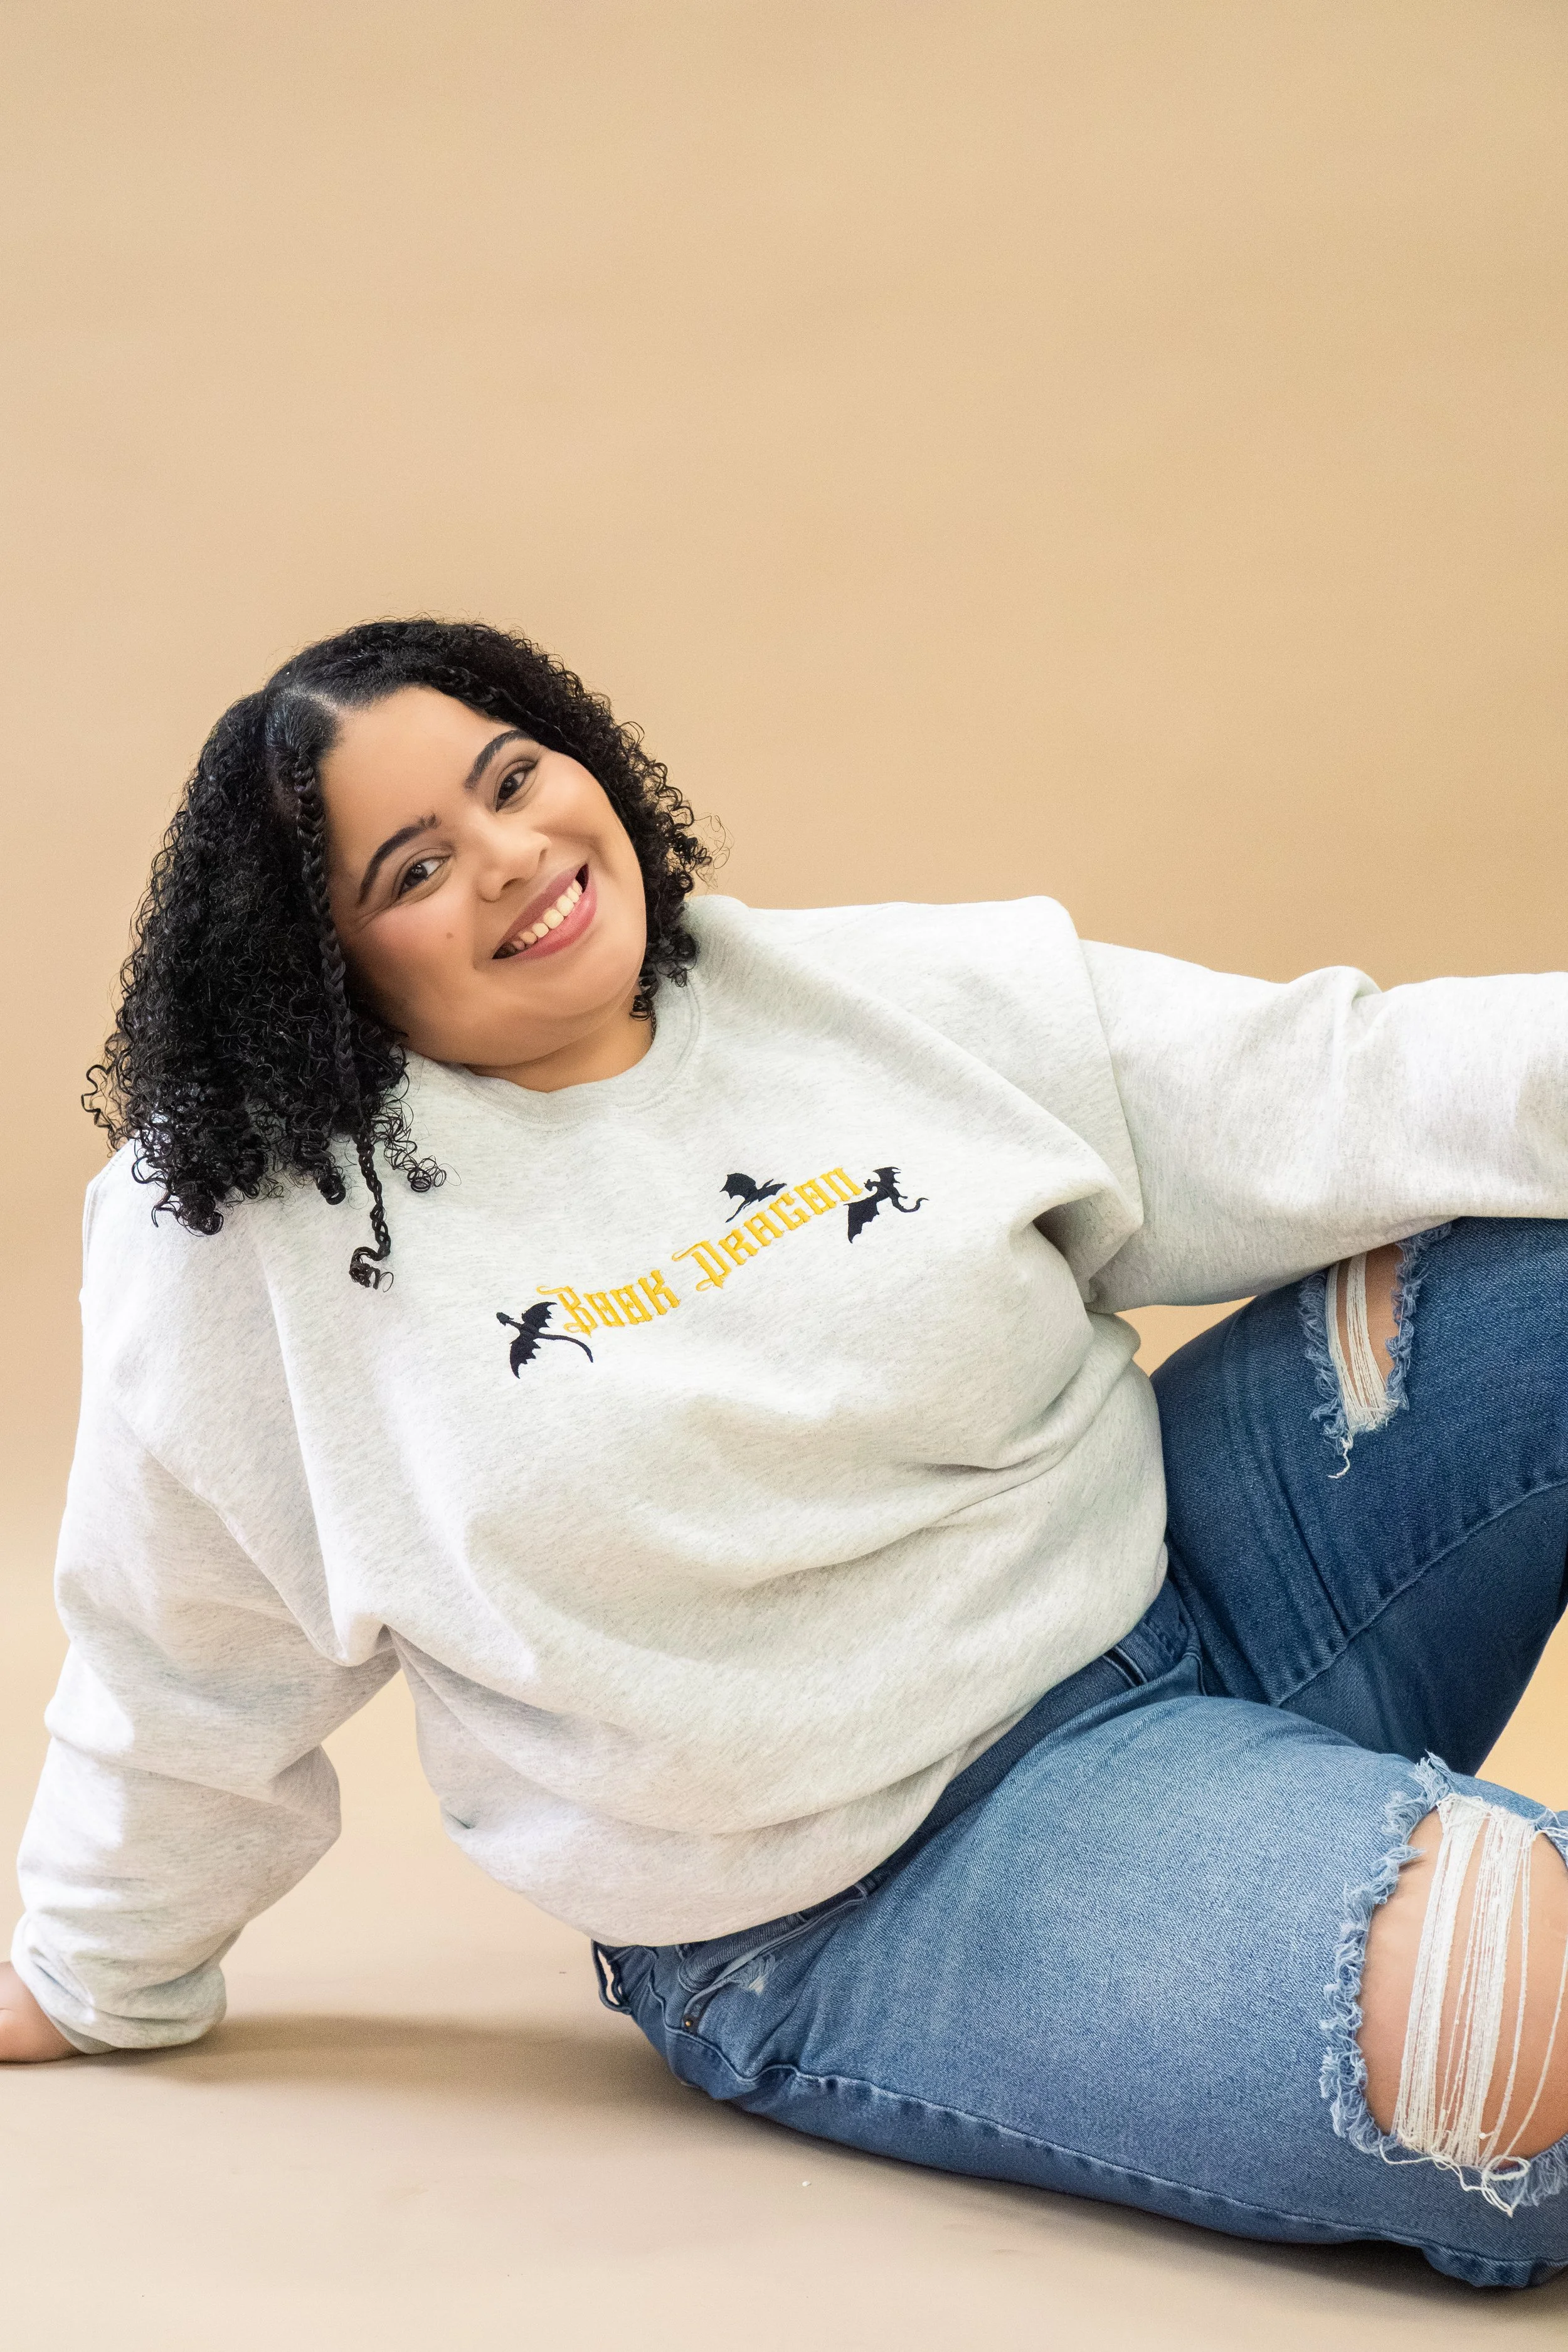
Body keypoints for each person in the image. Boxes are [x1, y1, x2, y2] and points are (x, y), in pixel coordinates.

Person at [3, 618, 1565, 2292]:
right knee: (1514, 2042)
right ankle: (1314, 1894)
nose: (513, 855)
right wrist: (89, 1971)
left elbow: (1341, 1082)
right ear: (322, 964)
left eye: (513, 780)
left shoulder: (873, 994)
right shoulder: (253, 1244)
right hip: (868, 1882)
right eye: (416, 867)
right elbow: (185, 1652)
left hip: (1201, 1588)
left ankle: (1283, 1851)